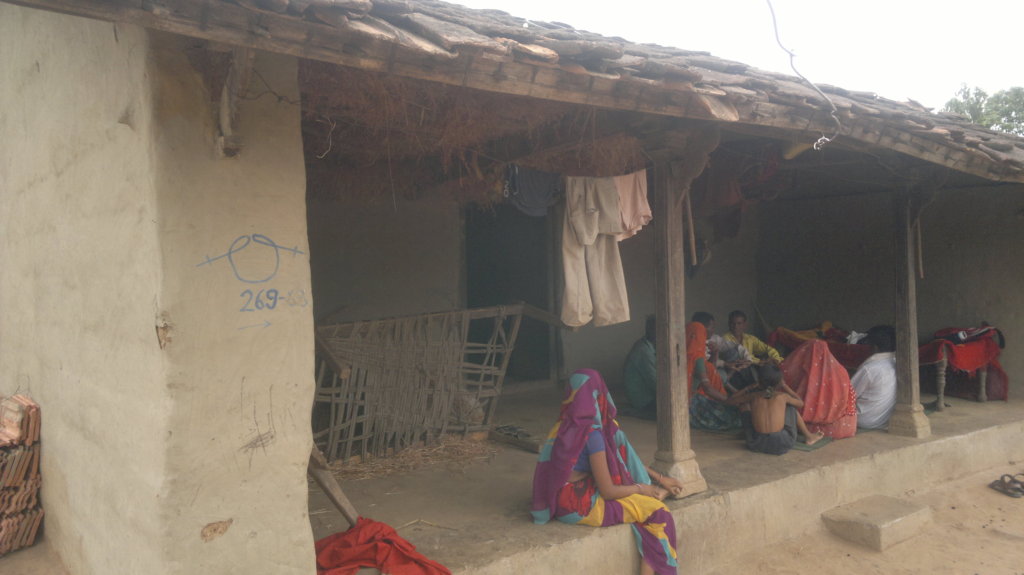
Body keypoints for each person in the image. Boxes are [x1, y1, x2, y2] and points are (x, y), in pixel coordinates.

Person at [531, 369, 683, 575]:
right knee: (658, 513)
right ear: (599, 396)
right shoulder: (592, 435)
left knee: (617, 436)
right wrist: (641, 488)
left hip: (559, 499)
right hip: (580, 506)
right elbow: (609, 491)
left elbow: (617, 459)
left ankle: (656, 489)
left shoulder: (563, 426)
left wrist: (659, 479)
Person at [727, 364, 824, 455]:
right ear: (779, 382)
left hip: (755, 444)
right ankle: (808, 436)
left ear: (759, 382)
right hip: (782, 445)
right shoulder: (783, 396)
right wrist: (785, 386)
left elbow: (730, 401)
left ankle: (751, 433)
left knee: (743, 406)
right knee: (790, 407)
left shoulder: (753, 396)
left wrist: (749, 388)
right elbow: (801, 403)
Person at [779, 339, 858, 439]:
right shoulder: (841, 371)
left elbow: (781, 383)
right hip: (841, 425)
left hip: (806, 424)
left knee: (788, 408)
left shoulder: (798, 372)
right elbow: (851, 399)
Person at [685, 321, 741, 431]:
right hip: (693, 405)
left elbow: (710, 370)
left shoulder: (680, 353)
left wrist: (715, 353)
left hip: (683, 403)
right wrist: (730, 401)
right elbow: (708, 388)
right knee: (736, 418)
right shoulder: (696, 356)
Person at [718, 310, 783, 392]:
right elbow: (742, 357)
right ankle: (758, 392)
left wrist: (775, 359)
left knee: (771, 370)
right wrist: (759, 362)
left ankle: (768, 395)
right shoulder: (725, 338)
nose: (735, 326)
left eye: (739, 323)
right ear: (728, 324)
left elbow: (768, 349)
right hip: (733, 371)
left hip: (749, 369)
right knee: (744, 362)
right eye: (732, 323)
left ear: (745, 325)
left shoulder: (749, 338)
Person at [851, 325, 897, 430]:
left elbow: (848, 395)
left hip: (863, 420)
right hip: (885, 420)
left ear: (874, 347)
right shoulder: (897, 361)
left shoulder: (870, 369)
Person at [623, 315, 658, 419]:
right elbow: (654, 382)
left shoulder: (649, 346)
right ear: (651, 330)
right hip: (644, 400)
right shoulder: (643, 350)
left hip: (647, 395)